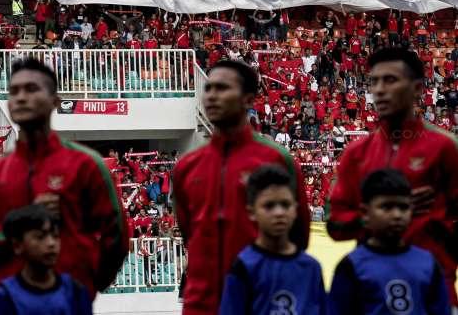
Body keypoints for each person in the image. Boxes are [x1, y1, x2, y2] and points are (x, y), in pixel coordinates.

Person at [0, 58, 128, 299]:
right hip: (11, 303)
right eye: (14, 91)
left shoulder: (87, 165)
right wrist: (21, 224)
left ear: (55, 101)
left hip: (71, 300)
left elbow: (117, 236)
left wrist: (89, 284)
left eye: (31, 89)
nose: (20, 97)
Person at [173, 60, 310, 315]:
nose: (212, 96)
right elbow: (188, 233)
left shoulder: (276, 159)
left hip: (263, 301)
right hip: (202, 303)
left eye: (223, 88)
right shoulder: (186, 167)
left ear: (248, 99)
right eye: (209, 88)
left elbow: (299, 234)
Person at [327, 48, 458, 307]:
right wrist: (378, 215)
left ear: (418, 88)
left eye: (390, 80)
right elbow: (335, 225)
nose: (379, 89)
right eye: (374, 81)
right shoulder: (355, 153)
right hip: (370, 295)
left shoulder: (445, 148)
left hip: (432, 293)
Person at [329, 169, 450, 315]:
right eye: (386, 207)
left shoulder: (429, 263)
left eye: (403, 207)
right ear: (365, 213)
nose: (397, 215)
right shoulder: (351, 266)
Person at [219, 165, 326, 315]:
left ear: (295, 209)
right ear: (251, 212)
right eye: (269, 206)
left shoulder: (311, 268)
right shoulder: (243, 267)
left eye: (285, 204)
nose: (279, 212)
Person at [0, 205, 92, 315]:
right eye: (40, 237)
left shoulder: (75, 291)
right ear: (17, 245)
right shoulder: (8, 295)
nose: (51, 243)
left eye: (55, 236)